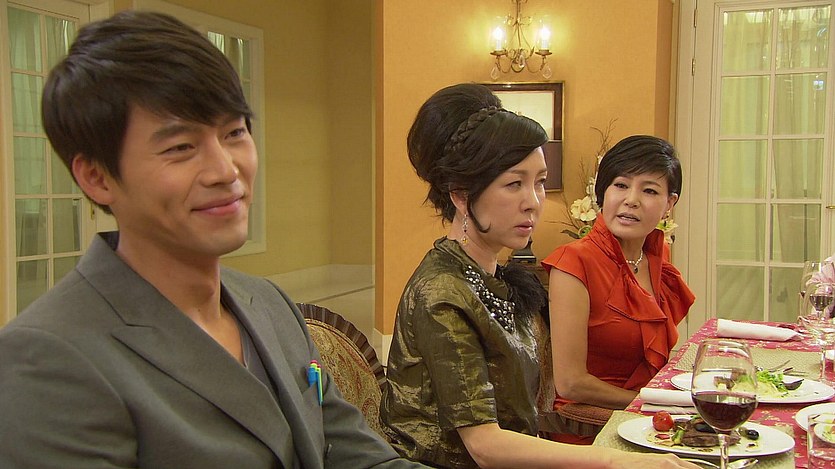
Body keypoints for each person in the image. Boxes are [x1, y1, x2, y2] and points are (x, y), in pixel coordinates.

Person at [0, 11, 427, 469]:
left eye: (234, 133)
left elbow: (357, 456)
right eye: (180, 147)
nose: (226, 170)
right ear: (97, 177)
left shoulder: (269, 303)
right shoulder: (47, 359)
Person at [380, 84, 699, 469]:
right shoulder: (442, 291)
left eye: (540, 182)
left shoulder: (494, 277)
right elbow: (484, 445)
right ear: (461, 195)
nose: (533, 201)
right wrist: (614, 461)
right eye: (514, 184)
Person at [542, 135, 696, 444]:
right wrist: (656, 404)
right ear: (603, 192)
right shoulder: (574, 262)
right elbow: (571, 383)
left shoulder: (656, 256)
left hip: (648, 423)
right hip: (592, 429)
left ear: (669, 204)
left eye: (649, 190)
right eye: (621, 185)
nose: (631, 200)